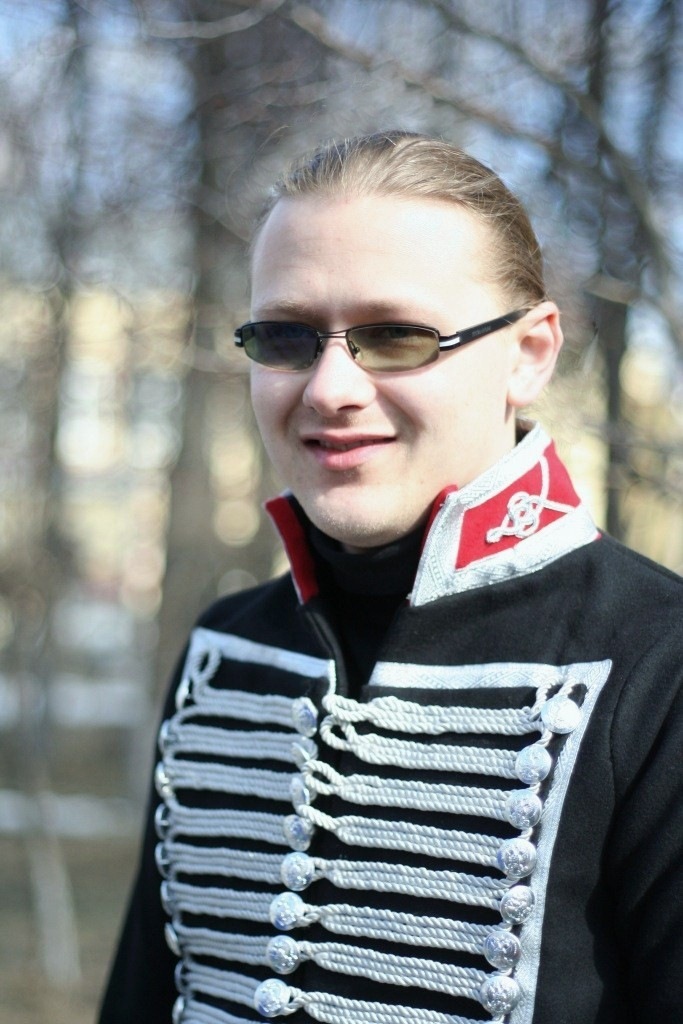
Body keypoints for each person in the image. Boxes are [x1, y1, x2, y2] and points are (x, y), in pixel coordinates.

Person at [98, 131, 683, 1024]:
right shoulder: (225, 649)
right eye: (287, 337)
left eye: (396, 336)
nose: (329, 387)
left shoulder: (658, 662)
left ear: (529, 353)